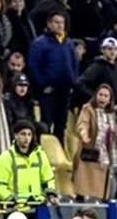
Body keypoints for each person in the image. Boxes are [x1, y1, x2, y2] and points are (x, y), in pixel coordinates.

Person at [27, 12, 78, 141]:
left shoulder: (68, 43)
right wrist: (42, 84)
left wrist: (73, 82)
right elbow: (33, 66)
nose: (60, 25)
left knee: (61, 124)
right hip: (48, 91)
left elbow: (75, 64)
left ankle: (58, 152)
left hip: (65, 90)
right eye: (56, 22)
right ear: (49, 24)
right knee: (46, 123)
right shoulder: (40, 43)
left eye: (62, 23)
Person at [0, 120, 59, 206]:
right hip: (16, 207)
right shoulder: (6, 157)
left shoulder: (40, 155)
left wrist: (51, 194)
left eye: (29, 134)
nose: (26, 138)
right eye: (23, 134)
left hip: (38, 203)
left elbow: (48, 178)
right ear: (16, 136)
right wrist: (10, 199)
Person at [74, 83, 117, 201]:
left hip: (104, 158)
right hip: (89, 155)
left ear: (110, 99)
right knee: (85, 192)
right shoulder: (88, 109)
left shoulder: (111, 114)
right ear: (95, 95)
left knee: (101, 195)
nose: (102, 98)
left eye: (106, 96)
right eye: (100, 95)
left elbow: (112, 134)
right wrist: (84, 134)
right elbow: (83, 123)